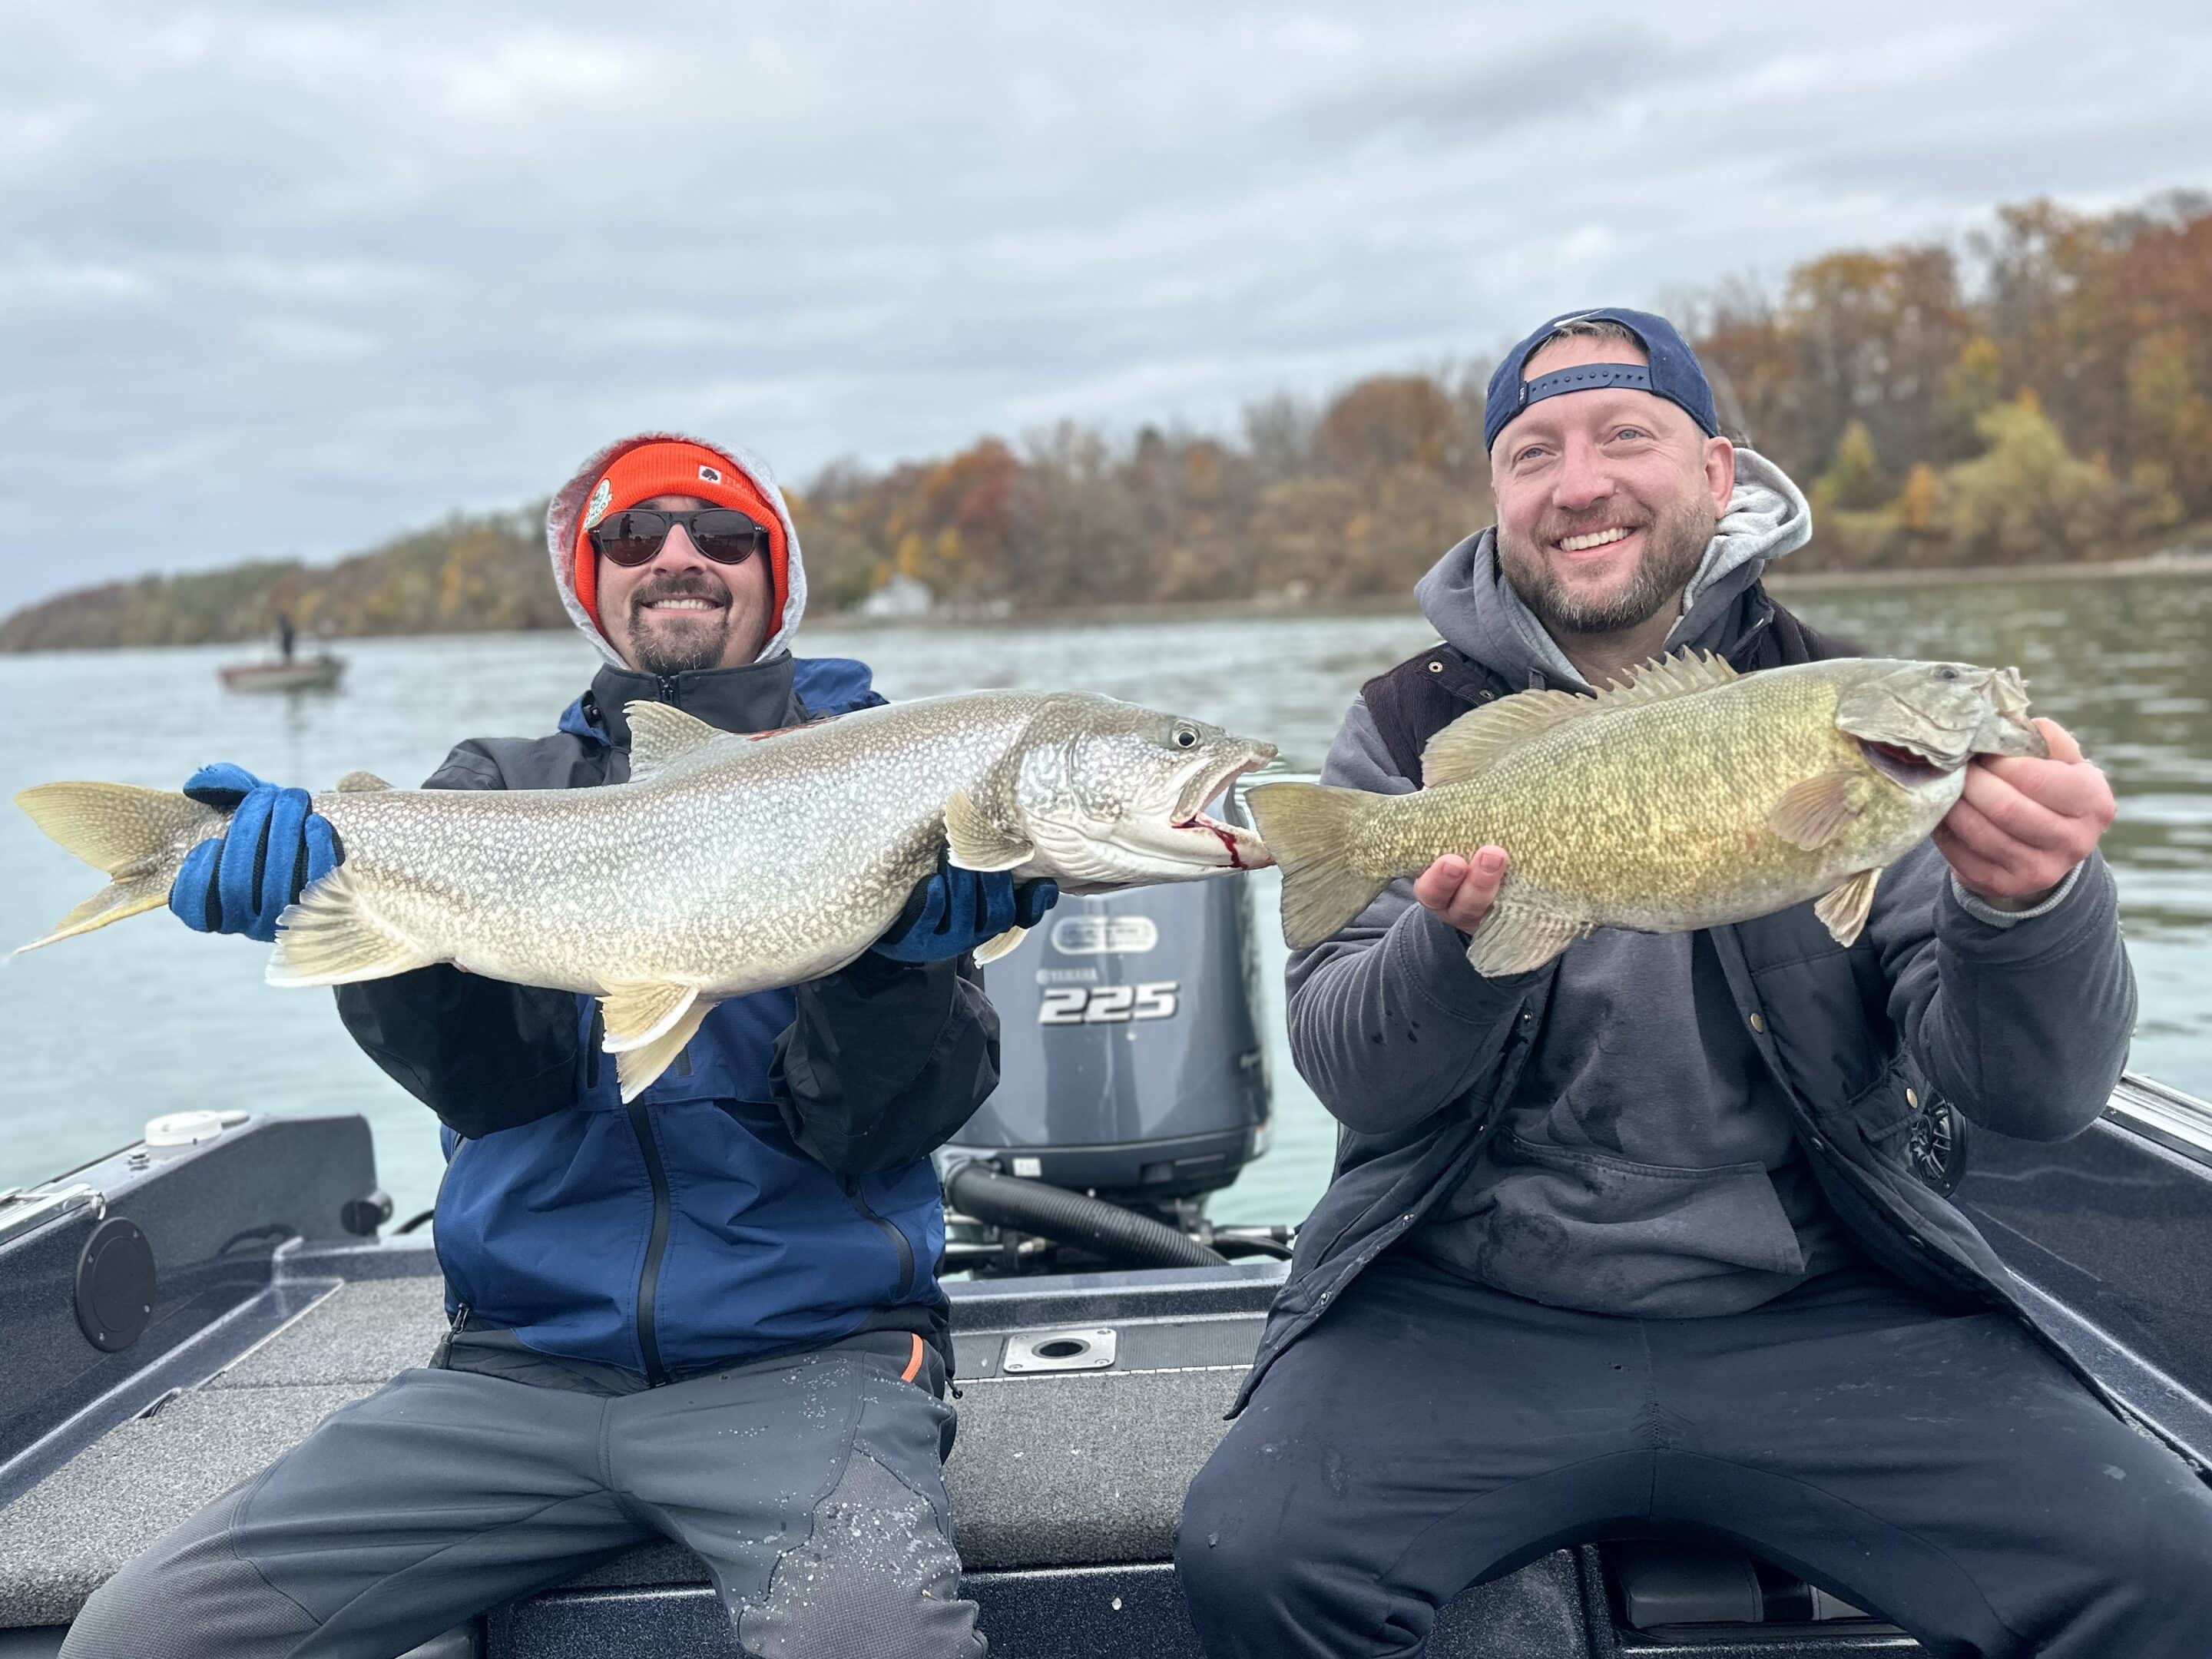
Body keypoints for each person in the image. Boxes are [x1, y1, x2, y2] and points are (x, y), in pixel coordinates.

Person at [1175, 310, 2212, 1657]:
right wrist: (1462, 939)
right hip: (1467, 1301)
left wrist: (2029, 906)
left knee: (2165, 1562)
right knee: (1255, 1558)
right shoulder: (1407, 729)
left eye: (1627, 435)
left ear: (1719, 473)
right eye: (1531, 452)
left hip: (1828, 1302)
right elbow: (1351, 1070)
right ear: (1498, 497)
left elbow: (2035, 1097)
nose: (1580, 482)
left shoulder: (1841, 712)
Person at [67, 432, 1056, 1659]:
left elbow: (882, 1131)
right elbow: (497, 1088)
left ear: (775, 572)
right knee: (136, 1640)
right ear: (592, 581)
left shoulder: (902, 778)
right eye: (634, 537)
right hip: (511, 1375)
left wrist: (896, 971)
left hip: (808, 1367)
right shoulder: (496, 785)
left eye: (723, 535)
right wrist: (321, 895)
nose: (678, 558)